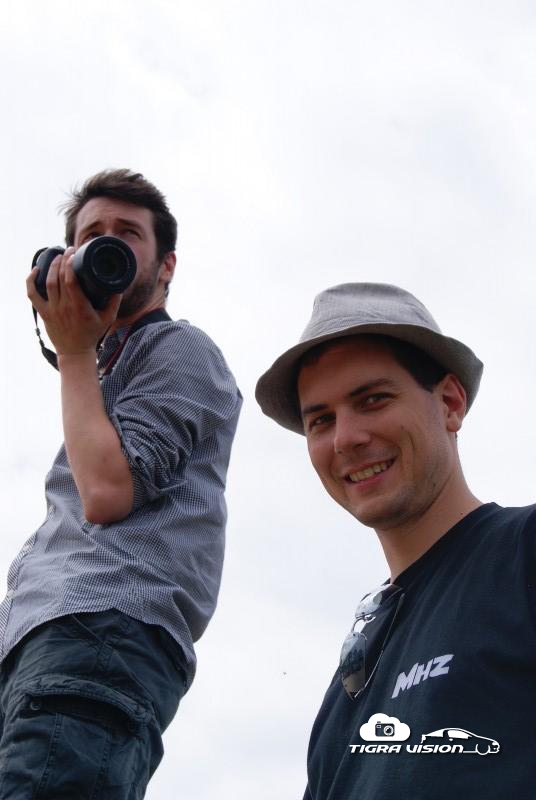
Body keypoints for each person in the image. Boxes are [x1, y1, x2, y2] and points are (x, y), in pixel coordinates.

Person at [0, 169, 242, 797]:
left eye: (128, 234)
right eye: (91, 236)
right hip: (42, 642)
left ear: (167, 266)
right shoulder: (98, 374)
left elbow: (108, 492)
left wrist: (74, 352)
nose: (107, 244)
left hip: (98, 633)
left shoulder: (182, 349)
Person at [256, 282, 536, 798]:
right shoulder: (349, 682)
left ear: (450, 402)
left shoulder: (522, 553)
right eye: (321, 420)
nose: (346, 438)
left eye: (373, 400)